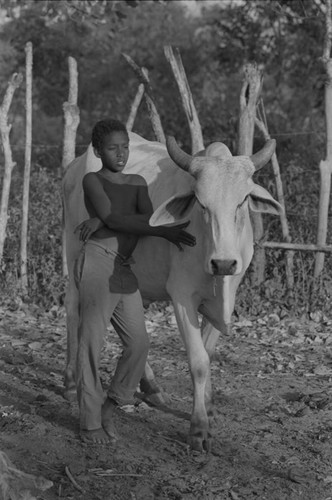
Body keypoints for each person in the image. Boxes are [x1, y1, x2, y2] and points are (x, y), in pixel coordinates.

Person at [74, 118, 196, 445]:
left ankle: (112, 404)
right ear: (98, 151)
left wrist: (104, 217)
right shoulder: (91, 180)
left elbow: (146, 217)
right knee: (91, 344)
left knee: (139, 343)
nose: (121, 153)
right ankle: (89, 423)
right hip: (98, 262)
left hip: (125, 268)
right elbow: (122, 220)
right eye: (112, 148)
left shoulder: (139, 181)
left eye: (125, 147)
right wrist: (157, 230)